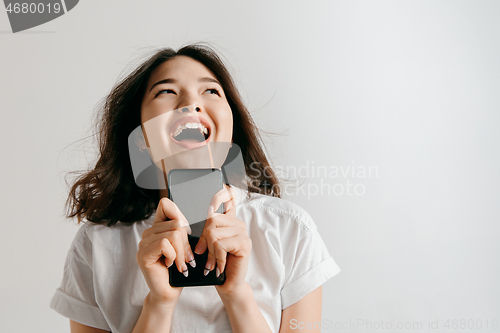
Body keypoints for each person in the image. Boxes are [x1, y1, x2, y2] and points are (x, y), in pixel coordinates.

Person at [50, 43, 341, 333]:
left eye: (211, 91)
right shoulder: (95, 247)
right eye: (166, 91)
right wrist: (159, 303)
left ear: (230, 129)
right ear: (141, 139)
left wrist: (237, 296)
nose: (191, 103)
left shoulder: (290, 230)